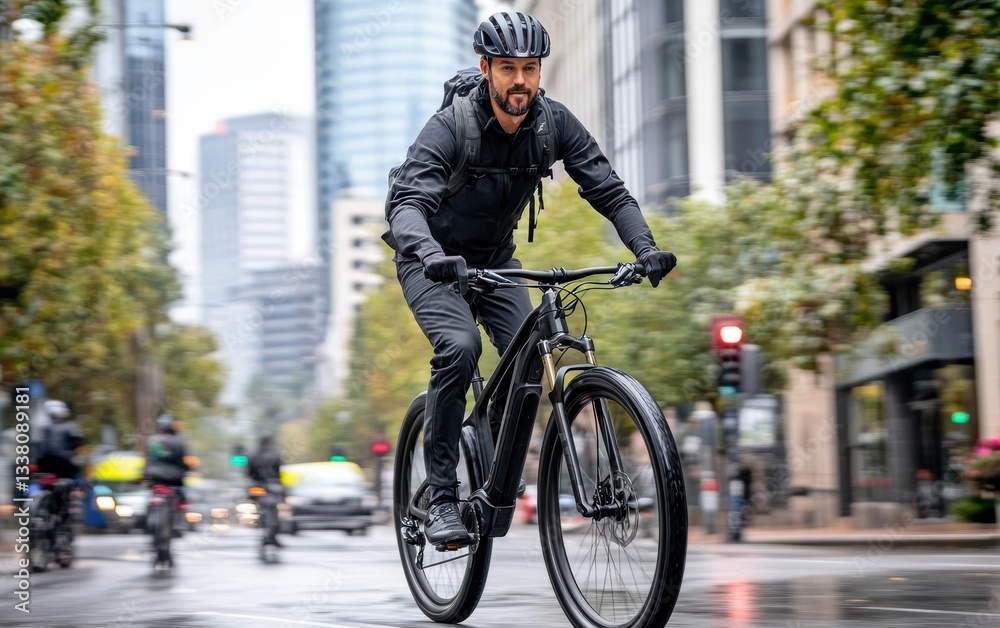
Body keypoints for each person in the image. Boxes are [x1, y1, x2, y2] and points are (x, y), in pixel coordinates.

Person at [382, 11, 677, 548]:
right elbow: (407, 206)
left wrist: (646, 248)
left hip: (495, 260)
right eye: (509, 68)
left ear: (540, 72)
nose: (520, 80)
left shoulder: (552, 123)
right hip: (431, 260)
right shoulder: (451, 127)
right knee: (460, 346)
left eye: (531, 68)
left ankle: (491, 451)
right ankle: (444, 496)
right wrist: (428, 254)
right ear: (486, 68)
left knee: (533, 349)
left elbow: (608, 189)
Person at [35, 399, 86, 524]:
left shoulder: (40, 428)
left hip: (43, 464)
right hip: (63, 464)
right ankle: (72, 507)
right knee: (77, 481)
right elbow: (78, 442)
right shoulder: (70, 427)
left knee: (43, 482)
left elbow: (35, 444)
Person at [144, 414, 190, 509]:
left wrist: (146, 472)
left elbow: (148, 459)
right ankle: (182, 508)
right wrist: (186, 469)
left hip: (154, 475)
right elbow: (184, 459)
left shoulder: (153, 440)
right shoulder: (179, 441)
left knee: (150, 494)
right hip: (174, 477)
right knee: (182, 497)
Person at [247, 433, 284, 547]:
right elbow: (280, 470)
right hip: (272, 486)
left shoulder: (253, 455)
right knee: (275, 509)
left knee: (259, 505)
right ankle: (273, 535)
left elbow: (249, 473)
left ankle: (261, 523)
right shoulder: (275, 454)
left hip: (258, 487)